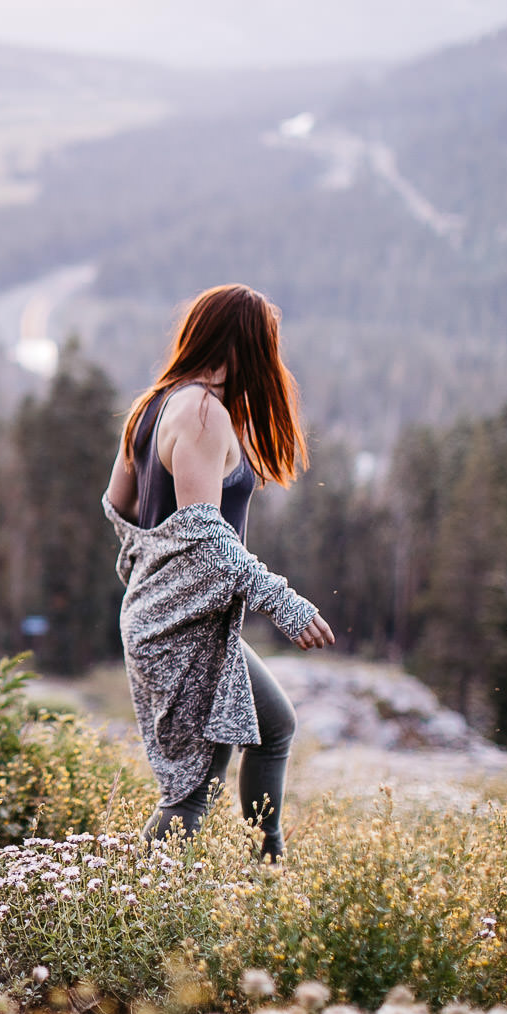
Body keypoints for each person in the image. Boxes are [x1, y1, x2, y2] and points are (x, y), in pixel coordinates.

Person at [103, 284, 334, 855]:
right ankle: (138, 912)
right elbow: (206, 537)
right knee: (193, 789)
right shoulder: (204, 415)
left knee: (273, 725)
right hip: (178, 627)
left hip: (171, 618)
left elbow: (118, 506)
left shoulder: (156, 404)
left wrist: (149, 576)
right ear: (246, 345)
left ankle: (265, 864)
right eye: (268, 346)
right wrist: (284, 603)